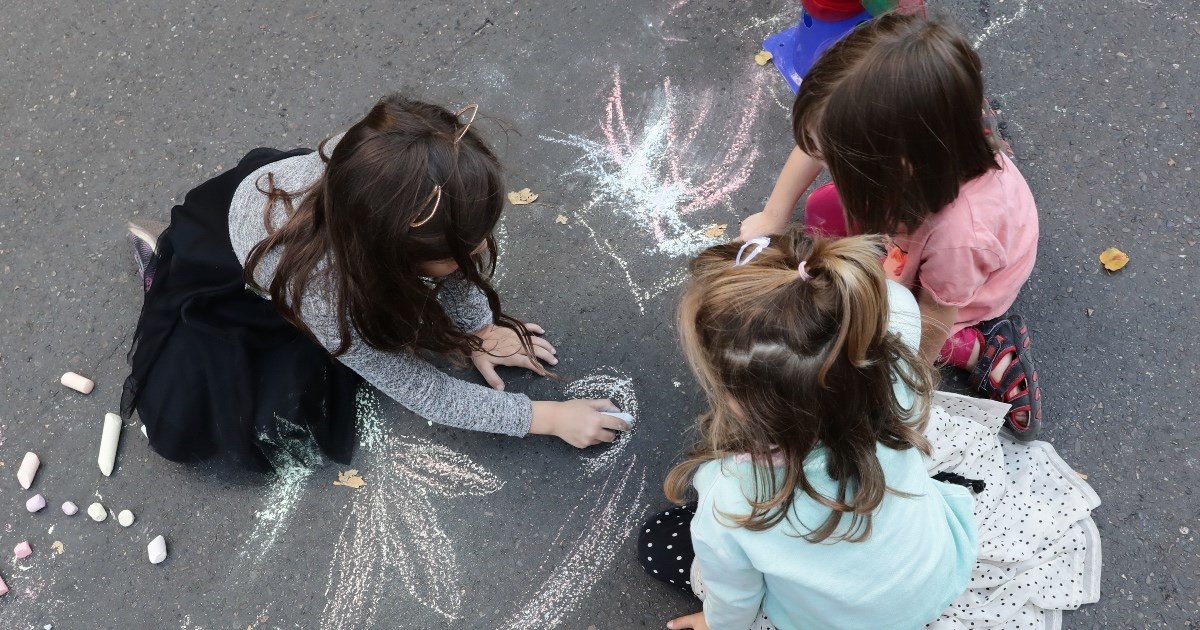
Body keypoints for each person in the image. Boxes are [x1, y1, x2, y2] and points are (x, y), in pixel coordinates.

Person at [121, 95, 629, 470]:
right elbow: (422, 389)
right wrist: (546, 418)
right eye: (462, 252)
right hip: (238, 271)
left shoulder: (392, 168)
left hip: (291, 221)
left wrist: (480, 330)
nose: (480, 251)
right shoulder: (325, 296)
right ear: (388, 256)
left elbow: (457, 267)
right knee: (191, 424)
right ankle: (166, 260)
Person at [640, 232, 978, 629]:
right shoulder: (896, 350)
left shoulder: (729, 495)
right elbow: (893, 299)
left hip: (839, 622)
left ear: (746, 400)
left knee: (658, 542)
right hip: (937, 574)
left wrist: (717, 624)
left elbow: (735, 597)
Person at [740, 13, 1041, 438]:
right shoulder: (916, 140)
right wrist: (772, 216)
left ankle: (983, 349)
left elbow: (933, 319)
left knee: (878, 332)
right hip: (913, 226)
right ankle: (873, 269)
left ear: (896, 163)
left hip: (962, 288)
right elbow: (815, 143)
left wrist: (898, 386)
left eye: (837, 161)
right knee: (823, 210)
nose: (823, 161)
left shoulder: (960, 237)